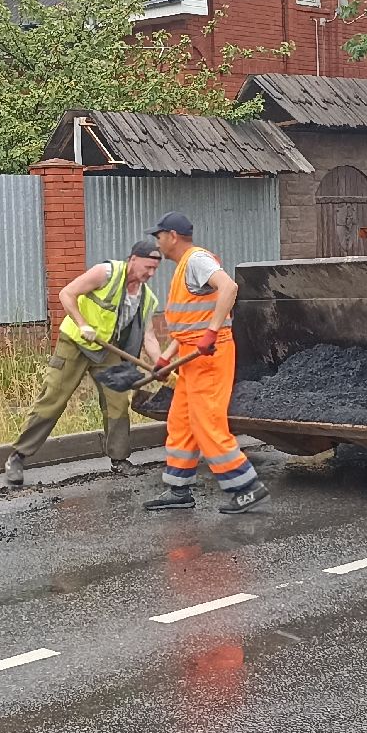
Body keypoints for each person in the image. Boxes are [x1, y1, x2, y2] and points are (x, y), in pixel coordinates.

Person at [4, 239, 171, 487]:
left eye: (155, 269)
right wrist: (82, 323)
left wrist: (160, 364)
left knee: (117, 404)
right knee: (52, 399)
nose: (151, 273)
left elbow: (148, 336)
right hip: (75, 343)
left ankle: (119, 459)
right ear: (133, 259)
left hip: (108, 349)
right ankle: (17, 457)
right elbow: (67, 293)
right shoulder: (106, 273)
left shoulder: (147, 299)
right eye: (148, 267)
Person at [143, 212, 271, 513]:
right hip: (194, 356)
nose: (157, 242)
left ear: (172, 236)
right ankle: (178, 490)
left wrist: (212, 332)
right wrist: (166, 357)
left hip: (210, 357)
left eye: (158, 236)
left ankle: (246, 487)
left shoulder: (196, 261)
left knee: (207, 424)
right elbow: (190, 326)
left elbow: (229, 288)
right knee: (181, 422)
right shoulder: (183, 267)